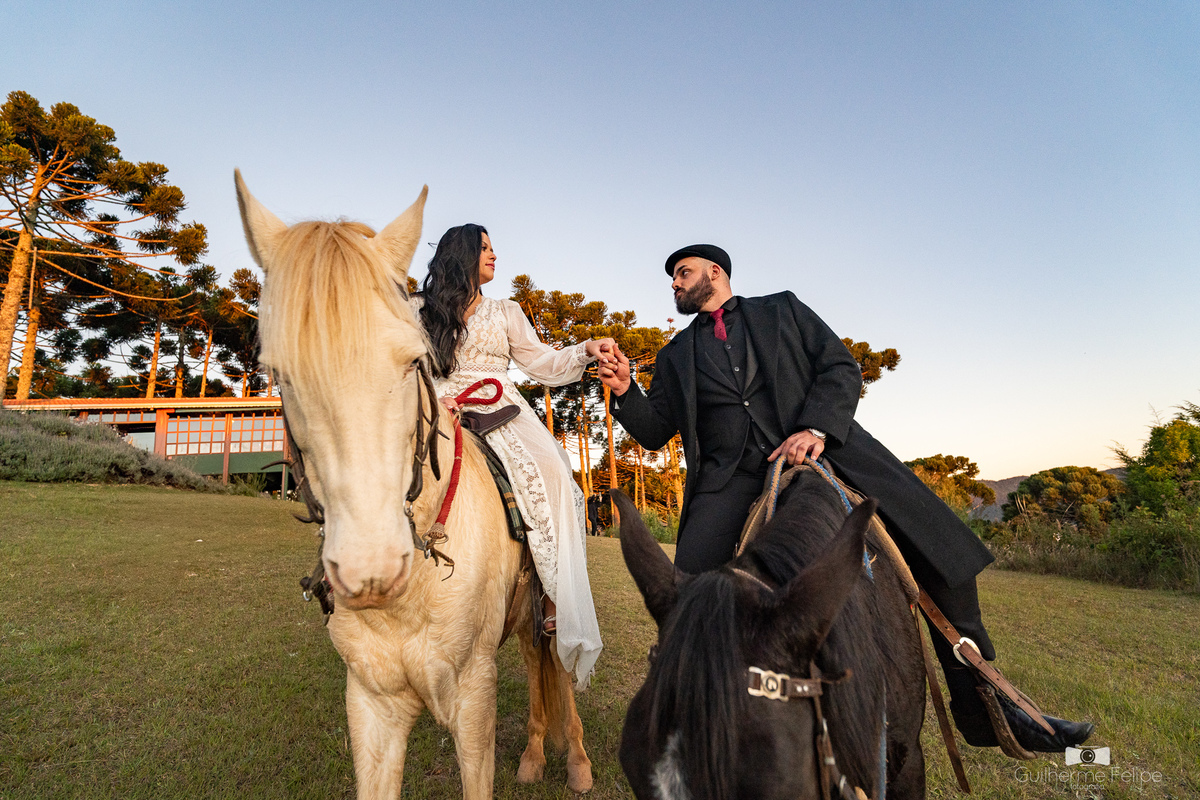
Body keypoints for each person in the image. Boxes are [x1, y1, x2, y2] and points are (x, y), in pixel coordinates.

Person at [597, 243, 1095, 753]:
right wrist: (625, 390)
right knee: (688, 597)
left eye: (683, 273)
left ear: (716, 272)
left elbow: (839, 368)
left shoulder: (782, 309)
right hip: (730, 479)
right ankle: (695, 715)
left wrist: (815, 427)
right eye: (673, 278)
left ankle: (987, 707)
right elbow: (655, 431)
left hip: (825, 451)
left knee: (942, 552)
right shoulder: (674, 355)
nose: (675, 283)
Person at [414, 224, 611, 685]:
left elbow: (542, 362)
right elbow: (399, 360)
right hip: (432, 404)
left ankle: (553, 595)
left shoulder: (506, 312)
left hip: (499, 405)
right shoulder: (416, 309)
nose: (494, 254)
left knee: (555, 473)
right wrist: (431, 397)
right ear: (462, 253)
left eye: (492, 247)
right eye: (484, 247)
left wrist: (586, 349)